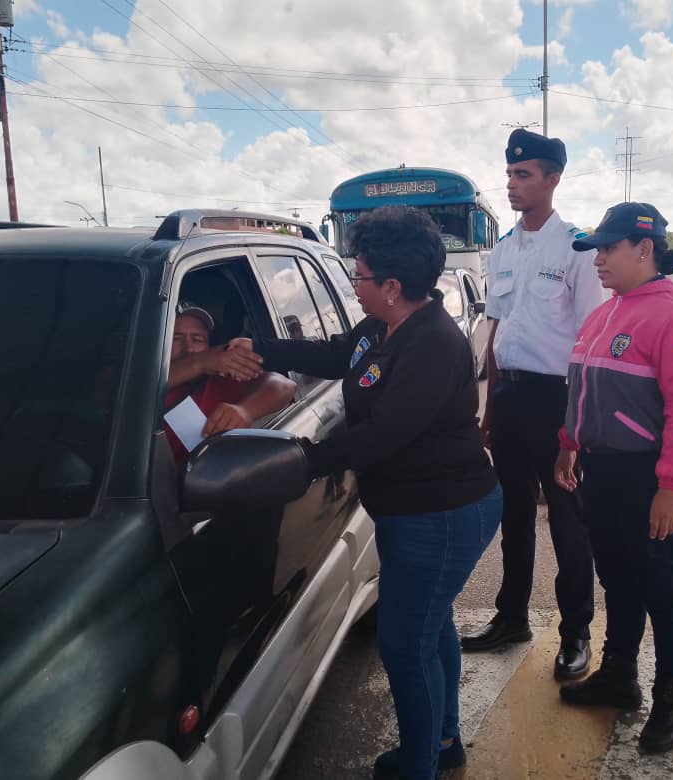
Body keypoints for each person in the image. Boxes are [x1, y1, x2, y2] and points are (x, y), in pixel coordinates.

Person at [223, 206, 501, 780]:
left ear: (392, 286)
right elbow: (334, 356)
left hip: (443, 514)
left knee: (405, 645)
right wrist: (258, 347)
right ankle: (443, 742)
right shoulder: (380, 328)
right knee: (429, 627)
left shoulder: (433, 343)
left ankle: (421, 766)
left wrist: (303, 458)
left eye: (361, 273)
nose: (354, 281)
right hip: (412, 511)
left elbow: (383, 435)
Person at [552, 202, 673, 754]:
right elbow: (582, 389)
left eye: (608, 249)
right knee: (618, 578)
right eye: (595, 249)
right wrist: (569, 443)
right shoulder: (606, 312)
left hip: (650, 477)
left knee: (663, 589)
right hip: (602, 470)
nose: (597, 259)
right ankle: (620, 674)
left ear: (645, 249)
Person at [459, 128, 603, 682]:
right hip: (511, 397)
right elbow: (497, 331)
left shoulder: (577, 249)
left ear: (553, 179)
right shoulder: (501, 250)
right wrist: (489, 410)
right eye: (510, 175)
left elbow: (589, 342)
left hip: (559, 399)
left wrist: (576, 425)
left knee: (568, 521)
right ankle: (511, 618)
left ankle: (576, 633)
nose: (512, 184)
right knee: (514, 515)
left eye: (523, 174)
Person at [163, 301, 295, 466]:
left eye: (197, 339)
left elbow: (285, 385)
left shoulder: (220, 380)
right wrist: (199, 362)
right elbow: (141, 381)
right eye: (176, 338)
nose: (188, 348)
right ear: (160, 345)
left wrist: (246, 411)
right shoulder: (140, 381)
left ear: (209, 345)